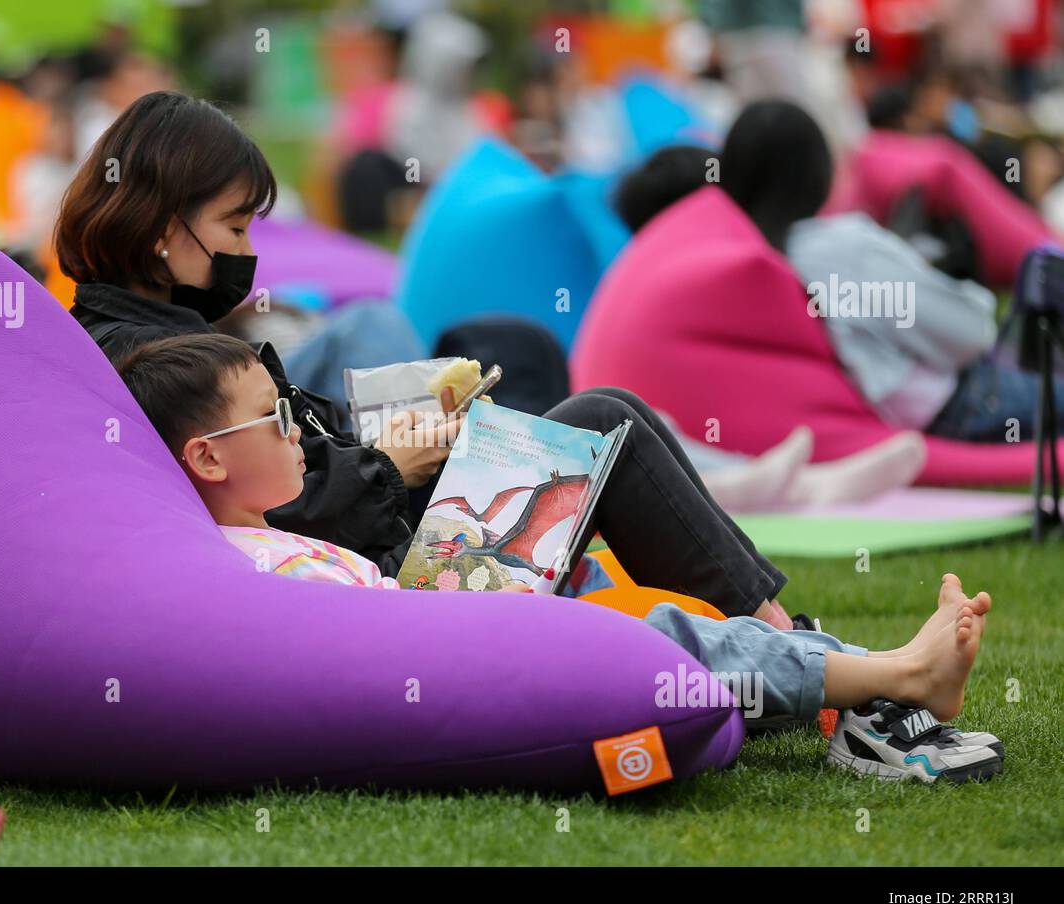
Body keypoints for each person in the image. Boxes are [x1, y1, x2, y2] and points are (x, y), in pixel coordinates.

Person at [115, 331, 1004, 783]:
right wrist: (394, 469)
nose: (298, 431)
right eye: (277, 419)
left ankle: (865, 675)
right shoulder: (241, 558)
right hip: (440, 642)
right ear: (208, 457)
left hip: (441, 614)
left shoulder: (262, 529)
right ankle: (885, 678)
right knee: (663, 644)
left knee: (620, 492)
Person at [56, 91, 801, 624]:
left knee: (520, 352)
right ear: (161, 228)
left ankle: (775, 632)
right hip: (405, 592)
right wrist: (389, 463)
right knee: (606, 421)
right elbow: (261, 508)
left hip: (386, 551)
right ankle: (782, 643)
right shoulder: (140, 357)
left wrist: (399, 443)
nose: (250, 253)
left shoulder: (145, 331)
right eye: (235, 227)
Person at [615, 105, 1064, 443]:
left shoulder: (746, 256)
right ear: (820, 172)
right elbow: (969, 334)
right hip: (958, 405)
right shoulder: (836, 249)